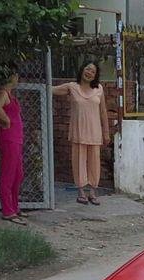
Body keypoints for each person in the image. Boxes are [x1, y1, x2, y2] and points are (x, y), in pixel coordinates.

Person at [52, 61, 111, 204]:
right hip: (78, 132)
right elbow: (51, 89)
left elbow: (103, 112)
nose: (89, 73)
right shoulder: (72, 87)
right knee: (78, 162)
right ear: (82, 69)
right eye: (87, 69)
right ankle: (81, 193)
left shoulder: (99, 89)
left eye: (93, 71)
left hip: (95, 132)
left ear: (95, 75)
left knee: (94, 163)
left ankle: (92, 192)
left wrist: (106, 132)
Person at [0, 66, 26, 224]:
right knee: (8, 174)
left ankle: (14, 206)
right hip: (9, 139)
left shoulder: (10, 94)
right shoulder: (3, 93)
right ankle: (7, 210)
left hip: (16, 139)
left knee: (18, 174)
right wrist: (6, 121)